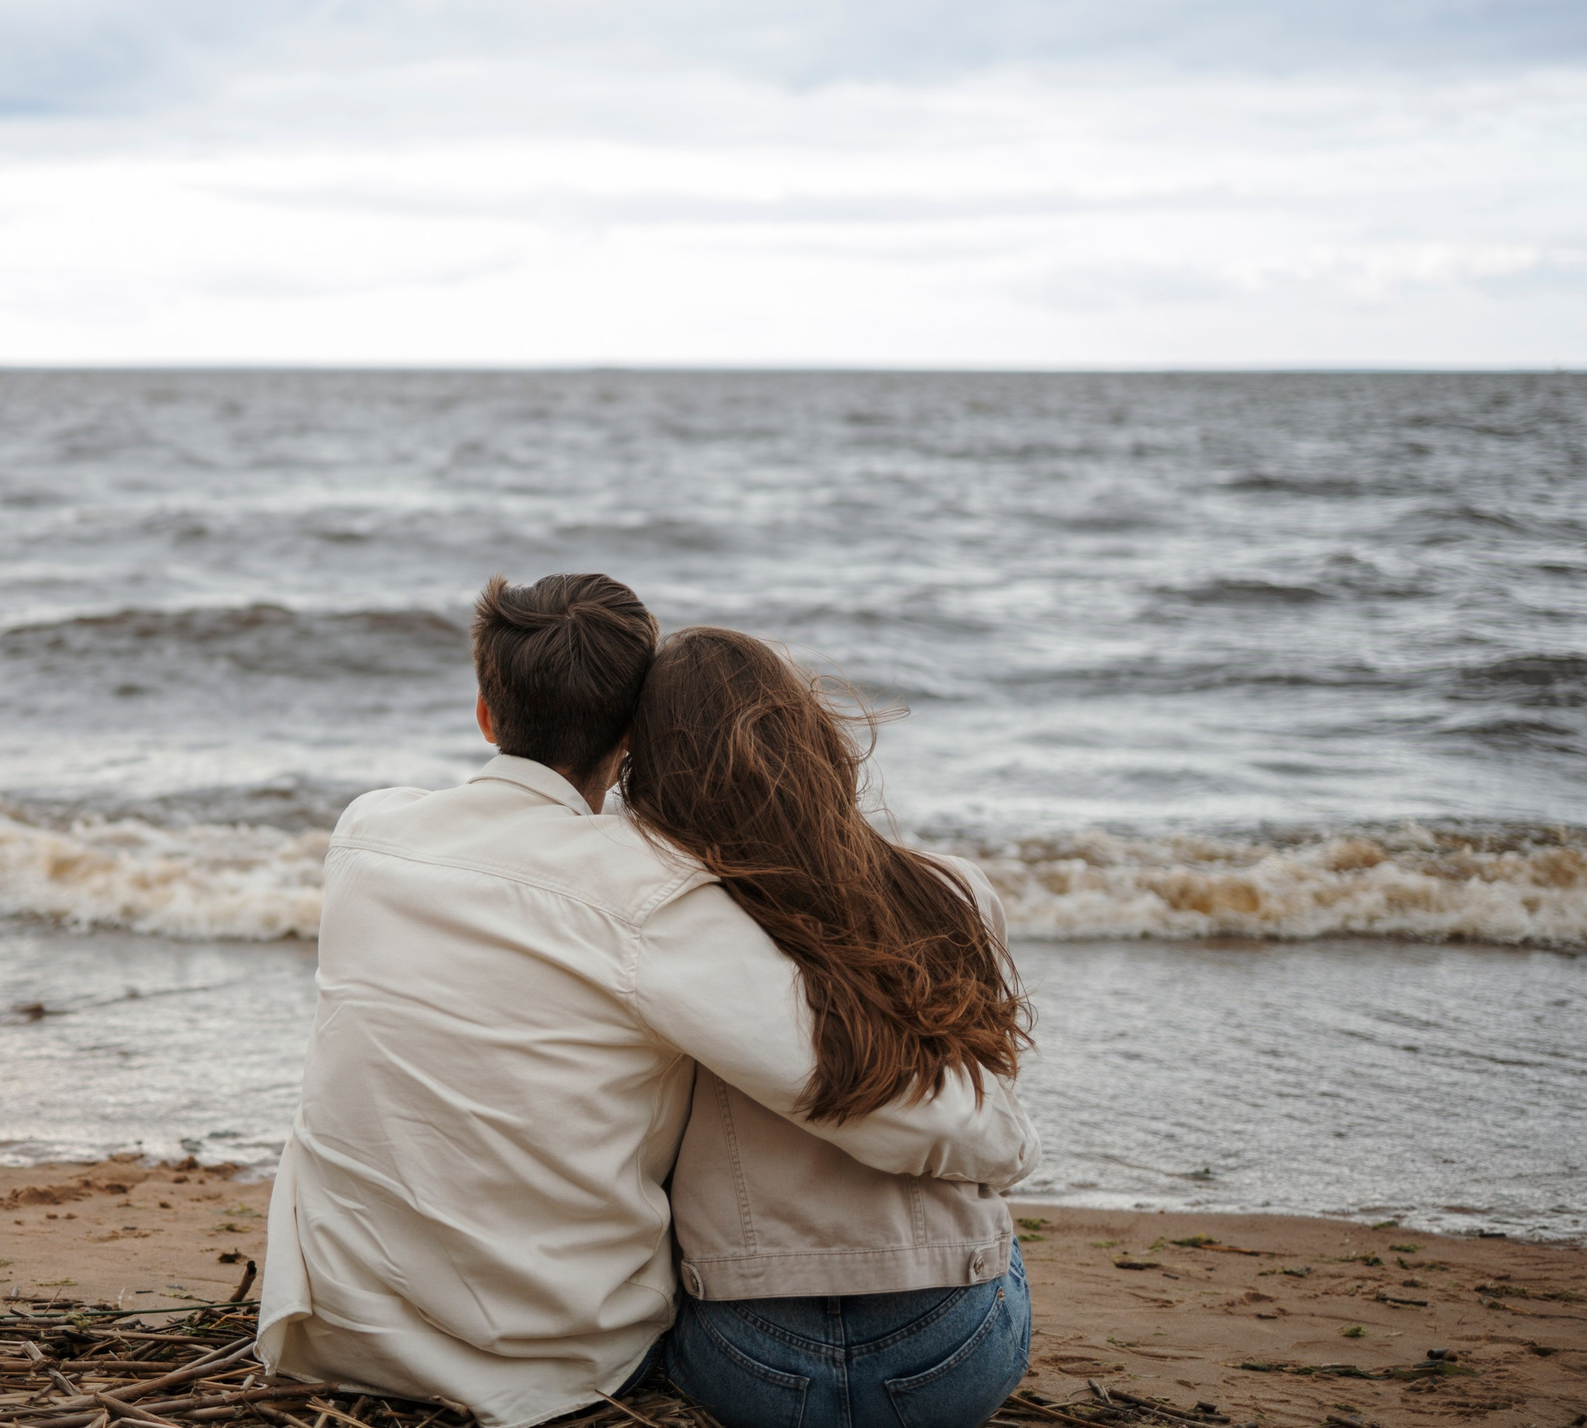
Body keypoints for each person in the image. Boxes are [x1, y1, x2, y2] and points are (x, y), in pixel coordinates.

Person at [257, 575, 1039, 1428]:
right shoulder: (651, 895)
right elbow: (856, 1094)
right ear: (632, 737)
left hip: (336, 1330)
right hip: (551, 1362)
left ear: (486, 713)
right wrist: (1007, 1139)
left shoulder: (365, 833)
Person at [623, 627, 1038, 1428]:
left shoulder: (668, 924)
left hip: (752, 1360)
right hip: (952, 1351)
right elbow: (983, 1098)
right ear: (810, 737)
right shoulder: (953, 890)